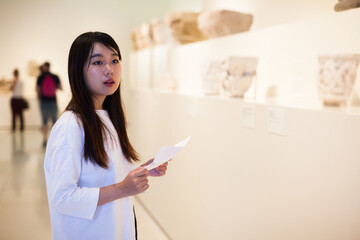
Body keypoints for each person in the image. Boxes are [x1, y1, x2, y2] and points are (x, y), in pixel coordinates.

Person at [44, 31, 169, 240]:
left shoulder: (107, 117)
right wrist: (122, 188)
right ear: (78, 70)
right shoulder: (70, 126)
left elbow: (102, 173)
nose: (109, 70)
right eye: (97, 62)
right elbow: (62, 197)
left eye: (114, 60)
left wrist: (144, 170)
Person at [36, 61, 63, 147]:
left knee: (44, 120)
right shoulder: (55, 76)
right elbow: (61, 88)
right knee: (55, 121)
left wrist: (39, 98)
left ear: (44, 67)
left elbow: (37, 89)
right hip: (53, 101)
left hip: (43, 101)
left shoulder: (40, 77)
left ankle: (44, 140)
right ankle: (55, 139)